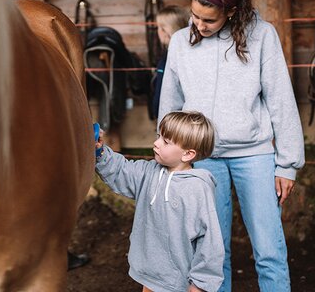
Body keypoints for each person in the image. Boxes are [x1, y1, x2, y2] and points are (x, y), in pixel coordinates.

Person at [158, 0, 305, 292]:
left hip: (254, 155)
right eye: (194, 16)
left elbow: (281, 99)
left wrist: (287, 164)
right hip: (201, 157)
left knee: (269, 249)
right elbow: (170, 104)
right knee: (211, 253)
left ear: (232, 11)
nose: (199, 25)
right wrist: (169, 153)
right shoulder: (180, 42)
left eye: (209, 20)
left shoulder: (262, 36)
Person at [95, 111, 224, 292]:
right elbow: (121, 170)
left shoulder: (197, 190)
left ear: (188, 154)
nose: (156, 143)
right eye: (159, 136)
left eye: (166, 141)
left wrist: (200, 284)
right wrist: (100, 152)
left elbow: (210, 241)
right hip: (149, 275)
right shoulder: (149, 172)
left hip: (177, 282)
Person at [150, 5, 190, 120]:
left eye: (159, 27)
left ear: (165, 31)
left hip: (172, 120)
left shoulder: (170, 58)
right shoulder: (169, 55)